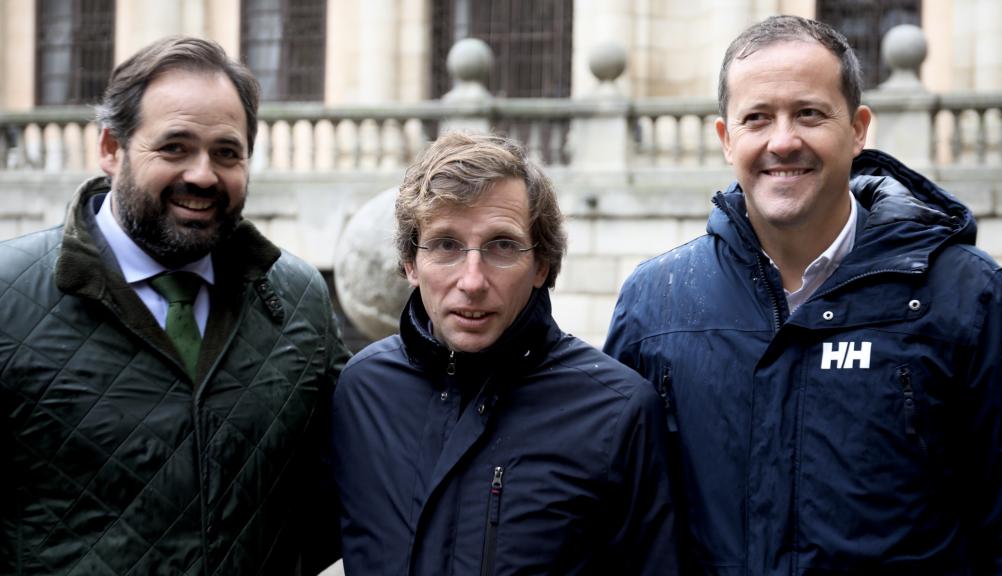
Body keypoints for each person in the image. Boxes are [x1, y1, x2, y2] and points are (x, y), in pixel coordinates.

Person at [605, 14, 1002, 574]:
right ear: (726, 139)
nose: (783, 141)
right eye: (757, 118)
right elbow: (616, 523)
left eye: (808, 113)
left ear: (857, 128)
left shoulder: (966, 294)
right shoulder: (655, 304)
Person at [0, 37, 347, 575]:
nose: (204, 175)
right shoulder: (8, 295)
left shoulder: (298, 299)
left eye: (227, 152)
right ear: (112, 149)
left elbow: (339, 498)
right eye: (175, 147)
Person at [330, 132, 681, 575]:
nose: (472, 281)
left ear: (541, 266)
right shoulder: (363, 390)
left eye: (502, 246)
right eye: (445, 245)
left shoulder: (618, 412)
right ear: (409, 264)